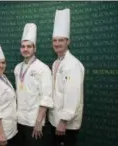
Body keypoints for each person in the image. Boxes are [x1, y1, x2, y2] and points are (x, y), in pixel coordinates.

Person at [48, 8, 85, 146]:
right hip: (55, 119)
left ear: (68, 41)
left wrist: (63, 121)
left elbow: (72, 95)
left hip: (66, 124)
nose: (57, 43)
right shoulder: (56, 62)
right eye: (54, 40)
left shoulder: (73, 65)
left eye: (61, 40)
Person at [14, 23, 53, 146]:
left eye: (29, 46)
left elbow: (46, 97)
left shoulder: (43, 68)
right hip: (19, 121)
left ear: (34, 48)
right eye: (23, 46)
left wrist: (38, 122)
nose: (25, 49)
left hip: (34, 122)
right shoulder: (17, 68)